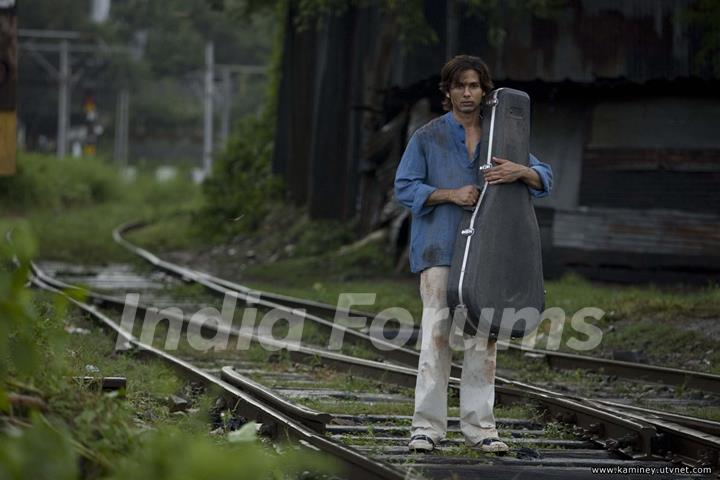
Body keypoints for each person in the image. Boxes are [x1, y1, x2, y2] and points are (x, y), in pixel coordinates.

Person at [394, 55, 553, 454]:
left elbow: (544, 177)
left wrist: (520, 171)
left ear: (485, 91)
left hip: (487, 252)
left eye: (475, 86)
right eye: (460, 86)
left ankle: (481, 428)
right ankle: (426, 428)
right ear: (446, 91)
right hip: (439, 249)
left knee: (484, 339)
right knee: (437, 336)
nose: (467, 93)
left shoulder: (501, 137)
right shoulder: (427, 137)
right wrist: (450, 194)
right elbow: (404, 186)